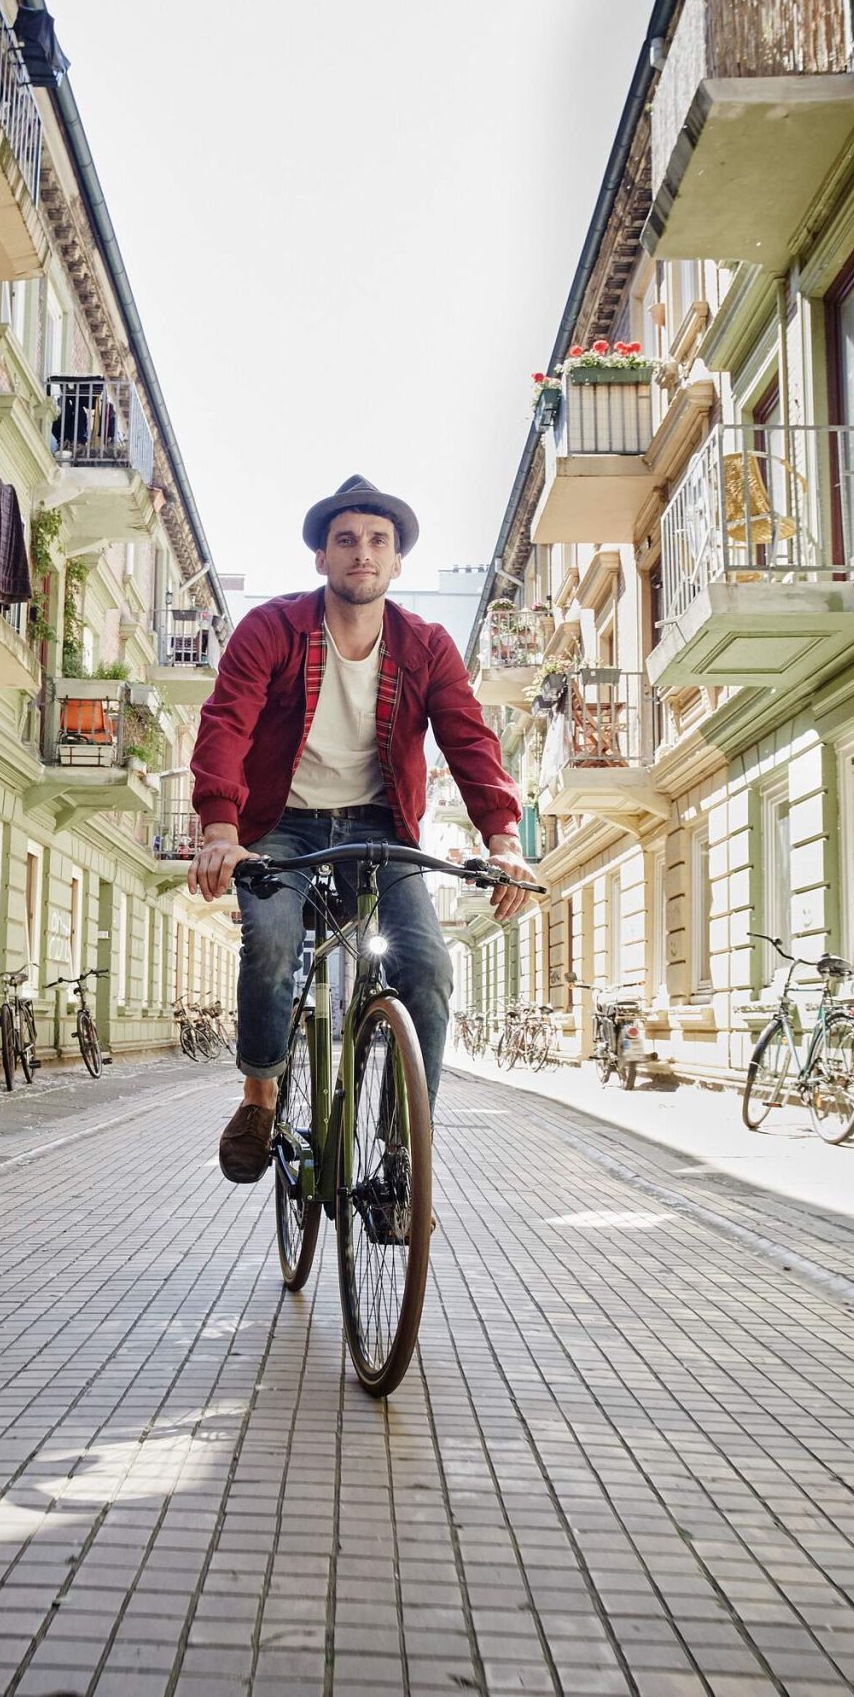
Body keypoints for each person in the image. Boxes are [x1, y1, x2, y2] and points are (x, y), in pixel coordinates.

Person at [188, 476, 534, 1183]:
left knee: (430, 966)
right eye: (346, 539)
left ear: (397, 561)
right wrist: (221, 827)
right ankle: (258, 1096)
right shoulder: (273, 630)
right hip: (279, 823)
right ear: (322, 556)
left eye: (378, 541)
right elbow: (227, 721)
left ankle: (402, 1153)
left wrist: (503, 840)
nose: (362, 553)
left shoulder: (427, 646)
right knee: (276, 937)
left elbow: (469, 740)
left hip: (381, 825)